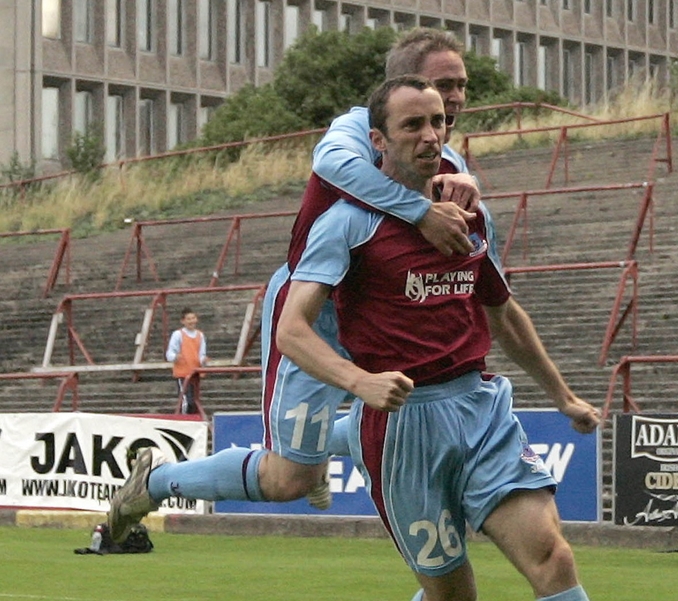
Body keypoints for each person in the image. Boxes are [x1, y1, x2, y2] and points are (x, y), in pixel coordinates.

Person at [107, 28, 480, 543]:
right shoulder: (353, 131)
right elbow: (330, 164)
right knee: (289, 479)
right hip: (316, 313)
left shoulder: (443, 154)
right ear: (399, 85)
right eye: (444, 83)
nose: (456, 97)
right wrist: (421, 211)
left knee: (418, 410)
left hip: (383, 310)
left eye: (461, 85)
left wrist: (465, 183)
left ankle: (323, 450)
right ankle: (156, 482)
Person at [277, 75, 599, 601]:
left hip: (480, 409)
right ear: (377, 140)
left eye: (439, 122)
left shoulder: (468, 212)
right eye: (413, 125)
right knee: (453, 595)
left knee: (553, 559)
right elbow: (292, 330)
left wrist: (563, 397)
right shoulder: (345, 224)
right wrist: (360, 383)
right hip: (403, 429)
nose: (431, 135)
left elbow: (504, 312)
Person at [165, 307, 207, 414]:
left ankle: (193, 420)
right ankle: (182, 420)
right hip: (183, 373)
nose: (191, 321)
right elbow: (169, 353)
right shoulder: (178, 334)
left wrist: (203, 360)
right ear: (183, 321)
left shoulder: (200, 335)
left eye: (193, 318)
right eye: (188, 319)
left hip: (195, 374)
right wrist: (175, 357)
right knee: (186, 401)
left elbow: (201, 354)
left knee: (194, 401)